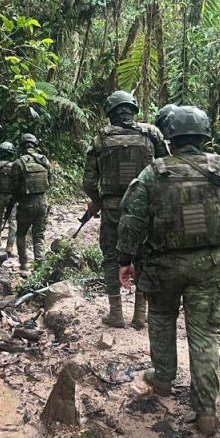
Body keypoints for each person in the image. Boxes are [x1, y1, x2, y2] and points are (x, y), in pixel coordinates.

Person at [117, 106, 220, 436]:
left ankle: (163, 378)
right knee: (205, 334)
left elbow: (131, 221)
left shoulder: (154, 172)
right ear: (204, 136)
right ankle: (206, 410)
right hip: (209, 264)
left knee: (162, 317)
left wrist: (125, 259)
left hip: (163, 264)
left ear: (171, 137)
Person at [83, 90, 167, 329]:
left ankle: (116, 313)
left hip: (112, 208)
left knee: (111, 257)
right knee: (144, 256)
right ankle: (140, 315)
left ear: (110, 113)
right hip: (146, 207)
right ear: (133, 110)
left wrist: (97, 199)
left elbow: (89, 181)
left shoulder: (101, 139)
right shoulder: (151, 134)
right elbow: (167, 167)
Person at [11, 133, 51, 271]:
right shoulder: (44, 160)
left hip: (26, 203)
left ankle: (24, 264)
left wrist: (14, 201)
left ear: (22, 146)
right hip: (43, 201)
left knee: (21, 234)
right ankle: (40, 265)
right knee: (39, 235)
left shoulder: (18, 163)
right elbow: (49, 181)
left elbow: (14, 187)